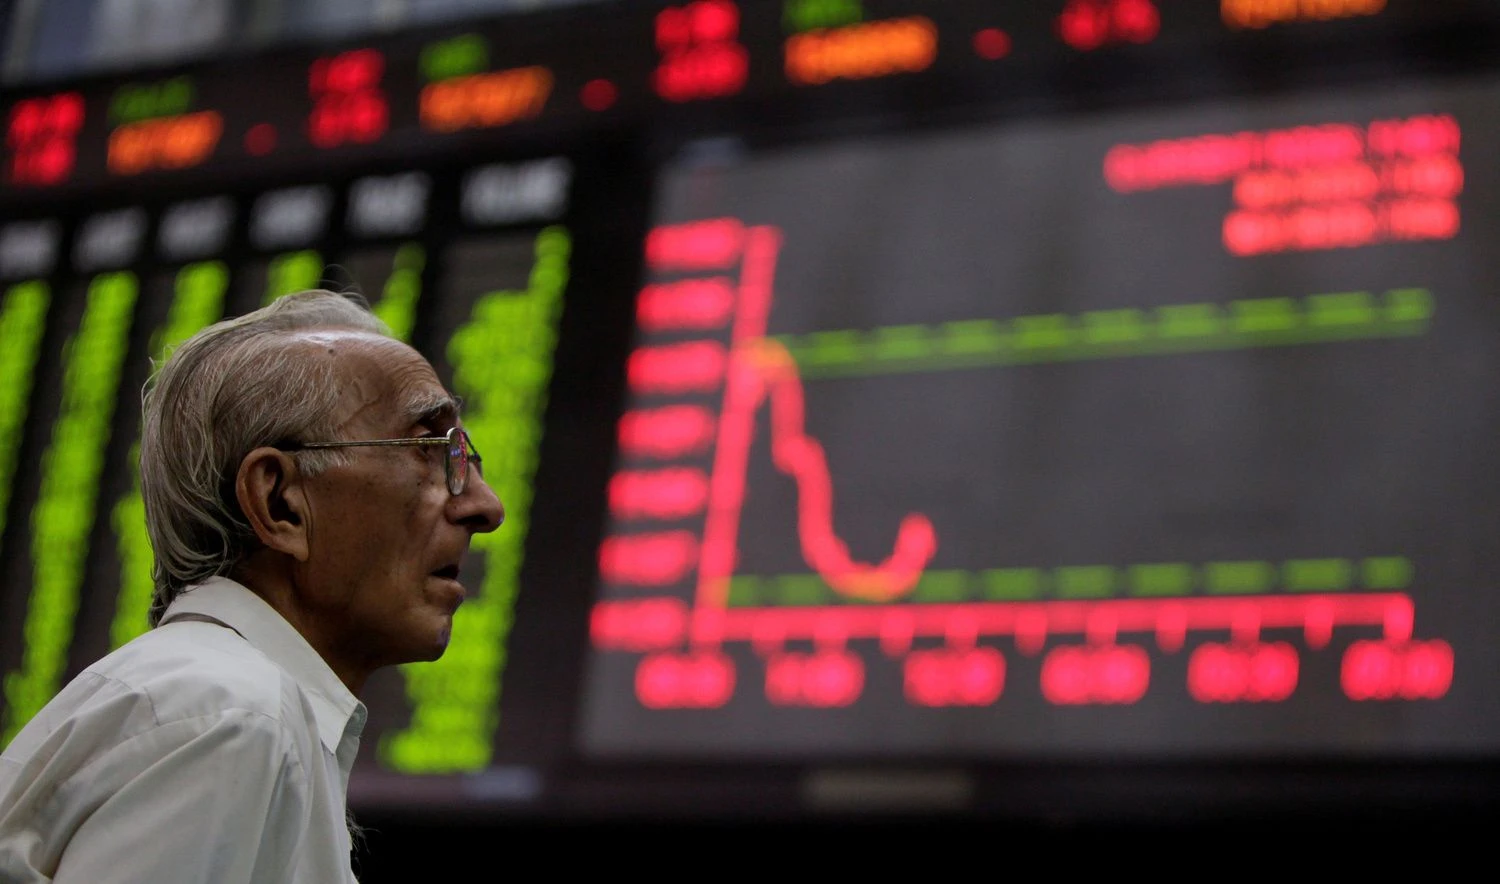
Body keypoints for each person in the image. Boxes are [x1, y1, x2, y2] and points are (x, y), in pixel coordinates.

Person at [0, 289, 505, 882]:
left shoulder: (224, 705)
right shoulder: (230, 715)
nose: (484, 505)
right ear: (279, 502)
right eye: (430, 447)